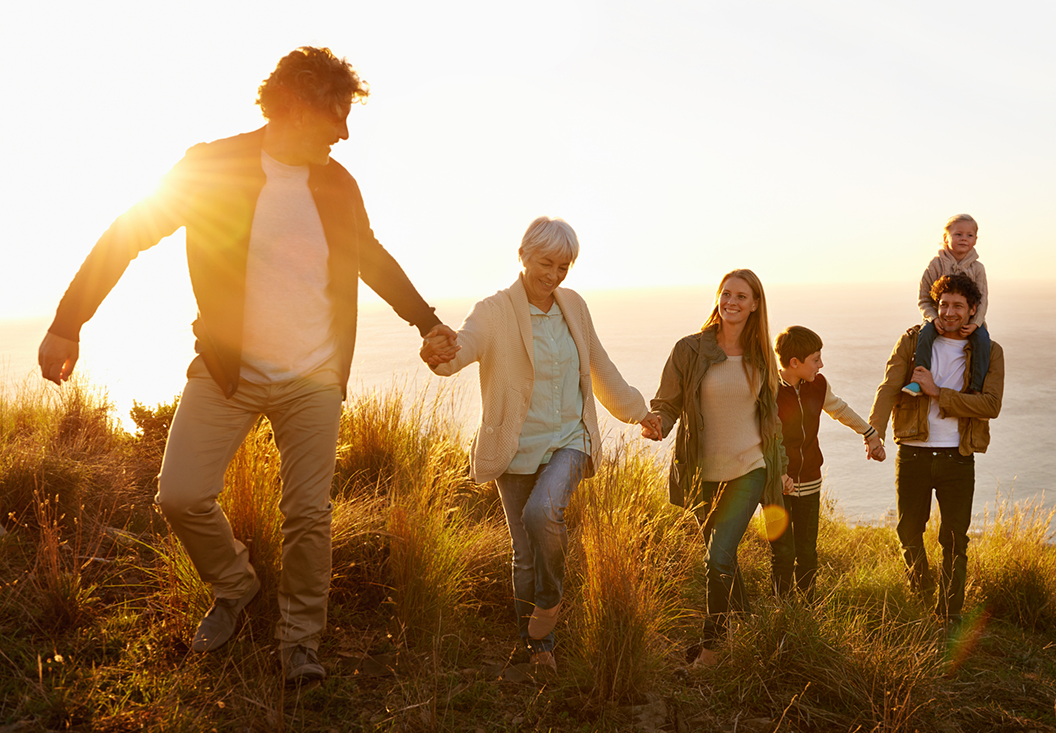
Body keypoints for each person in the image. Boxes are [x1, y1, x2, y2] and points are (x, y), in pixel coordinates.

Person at [38, 47, 457, 683]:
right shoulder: (212, 166)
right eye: (336, 117)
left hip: (313, 377)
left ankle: (299, 642)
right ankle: (236, 585)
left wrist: (426, 321)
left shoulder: (337, 184)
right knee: (179, 495)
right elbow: (126, 234)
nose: (345, 133)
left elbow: (368, 255)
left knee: (309, 515)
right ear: (293, 109)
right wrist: (68, 324)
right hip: (228, 368)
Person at [420, 216, 656, 675]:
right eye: (547, 262)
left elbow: (600, 366)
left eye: (564, 266)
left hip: (570, 439)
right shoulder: (493, 311)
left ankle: (549, 603)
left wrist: (637, 411)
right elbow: (462, 349)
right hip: (515, 447)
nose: (554, 274)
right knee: (524, 552)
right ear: (525, 255)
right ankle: (537, 645)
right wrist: (439, 354)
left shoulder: (574, 306)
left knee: (541, 512)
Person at [642, 269, 790, 667]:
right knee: (722, 558)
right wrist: (657, 423)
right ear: (718, 298)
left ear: (755, 304)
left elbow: (771, 420)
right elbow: (667, 402)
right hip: (700, 472)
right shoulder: (690, 350)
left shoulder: (762, 357)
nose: (732, 302)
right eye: (726, 294)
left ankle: (712, 648)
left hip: (750, 467)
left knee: (718, 558)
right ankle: (747, 629)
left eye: (742, 296)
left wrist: (781, 469)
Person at [869, 273, 1003, 629]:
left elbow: (990, 404)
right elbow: (888, 388)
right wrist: (874, 433)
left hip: (957, 456)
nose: (949, 312)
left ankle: (950, 613)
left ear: (972, 309)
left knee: (955, 539)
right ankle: (922, 592)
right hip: (912, 452)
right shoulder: (913, 341)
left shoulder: (990, 351)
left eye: (958, 305)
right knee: (908, 531)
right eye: (944, 304)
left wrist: (936, 392)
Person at [769, 325, 886, 600]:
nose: (821, 364)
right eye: (816, 359)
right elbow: (761, 435)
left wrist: (870, 434)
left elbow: (838, 409)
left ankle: (807, 610)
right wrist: (777, 473)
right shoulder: (768, 389)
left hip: (809, 478)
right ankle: (780, 612)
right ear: (795, 363)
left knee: (807, 551)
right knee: (783, 552)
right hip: (776, 483)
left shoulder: (818, 384)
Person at [904, 214, 991, 397]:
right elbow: (923, 298)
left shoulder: (978, 269)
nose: (963, 239)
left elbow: (982, 300)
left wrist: (976, 323)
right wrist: (933, 318)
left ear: (975, 239)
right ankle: (918, 380)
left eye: (969, 235)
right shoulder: (935, 265)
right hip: (939, 318)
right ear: (946, 238)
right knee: (925, 334)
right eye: (958, 234)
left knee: (983, 340)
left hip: (970, 320)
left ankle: (976, 387)